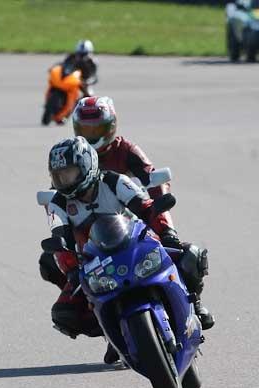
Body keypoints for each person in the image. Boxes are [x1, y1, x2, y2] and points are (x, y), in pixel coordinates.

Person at [41, 137, 214, 362]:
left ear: (86, 166)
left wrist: (166, 232)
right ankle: (113, 333)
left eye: (69, 173)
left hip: (136, 243)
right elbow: (59, 236)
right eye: (59, 176)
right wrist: (72, 269)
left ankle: (196, 305)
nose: (64, 181)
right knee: (64, 313)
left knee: (192, 255)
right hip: (95, 259)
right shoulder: (58, 203)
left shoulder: (115, 181)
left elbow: (146, 206)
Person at [40, 96, 183, 290]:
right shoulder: (72, 156)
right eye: (84, 130)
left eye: (96, 129)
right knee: (49, 262)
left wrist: (164, 228)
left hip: (126, 220)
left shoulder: (124, 153)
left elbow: (153, 180)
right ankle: (80, 292)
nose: (91, 135)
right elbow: (59, 197)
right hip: (89, 235)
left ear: (111, 126)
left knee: (186, 254)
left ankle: (191, 299)